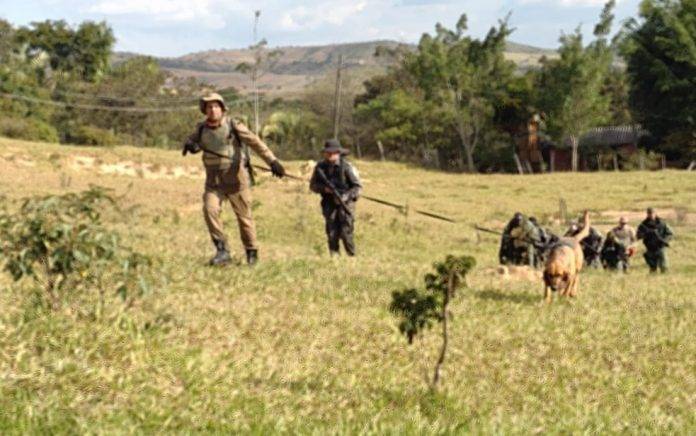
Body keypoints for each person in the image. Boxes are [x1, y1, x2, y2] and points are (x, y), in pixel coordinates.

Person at [183, 92, 286, 266]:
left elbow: (255, 143)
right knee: (210, 210)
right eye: (209, 107)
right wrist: (190, 146)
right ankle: (222, 251)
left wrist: (273, 162)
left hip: (236, 181)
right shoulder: (201, 129)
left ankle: (251, 254)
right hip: (213, 182)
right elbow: (191, 142)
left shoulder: (233, 126)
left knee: (244, 218)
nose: (213, 110)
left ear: (222, 109)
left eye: (216, 106)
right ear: (205, 110)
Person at [309, 139, 362, 256]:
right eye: (328, 152)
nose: (330, 155)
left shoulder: (347, 167)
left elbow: (357, 187)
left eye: (333, 152)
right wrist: (325, 189)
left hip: (346, 204)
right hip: (329, 203)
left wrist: (344, 197)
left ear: (338, 153)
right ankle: (334, 257)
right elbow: (313, 186)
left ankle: (351, 257)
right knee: (332, 232)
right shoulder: (320, 168)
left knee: (346, 232)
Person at [637, 207, 674, 273]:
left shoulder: (662, 223)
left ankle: (665, 278)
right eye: (649, 213)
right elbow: (638, 236)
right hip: (650, 248)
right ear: (647, 214)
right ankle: (654, 279)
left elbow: (670, 234)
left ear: (655, 213)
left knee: (664, 267)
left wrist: (665, 240)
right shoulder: (643, 224)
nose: (651, 215)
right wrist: (646, 234)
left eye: (652, 213)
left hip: (660, 247)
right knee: (652, 268)